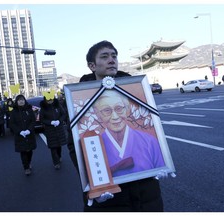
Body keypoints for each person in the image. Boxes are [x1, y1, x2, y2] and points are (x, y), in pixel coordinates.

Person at [68, 40, 164, 211]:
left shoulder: (136, 92)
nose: (111, 60)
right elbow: (73, 146)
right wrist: (90, 180)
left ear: (127, 109)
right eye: (104, 57)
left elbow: (155, 127)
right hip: (108, 194)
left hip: (145, 193)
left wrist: (162, 165)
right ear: (92, 65)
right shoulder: (79, 100)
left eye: (114, 56)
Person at [92, 90, 165, 177]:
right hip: (112, 191)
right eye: (106, 110)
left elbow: (161, 168)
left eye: (119, 108)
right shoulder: (93, 146)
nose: (115, 117)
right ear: (98, 115)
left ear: (127, 110)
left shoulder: (149, 141)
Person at [39, 91, 67, 170]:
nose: (50, 101)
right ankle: (56, 162)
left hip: (59, 128)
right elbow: (42, 119)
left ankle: (59, 156)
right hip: (50, 130)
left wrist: (59, 121)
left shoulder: (58, 105)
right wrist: (50, 122)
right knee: (53, 147)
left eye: (51, 99)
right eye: (48, 100)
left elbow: (64, 114)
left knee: (58, 146)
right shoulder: (43, 108)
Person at [9, 94, 37, 176]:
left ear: (25, 101)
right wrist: (19, 131)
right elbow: (12, 123)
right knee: (23, 152)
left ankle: (28, 162)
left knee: (30, 151)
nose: (21, 101)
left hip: (29, 134)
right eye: (19, 100)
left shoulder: (29, 109)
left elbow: (33, 121)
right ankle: (26, 168)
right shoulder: (14, 112)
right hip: (20, 136)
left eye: (22, 100)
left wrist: (29, 130)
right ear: (16, 102)